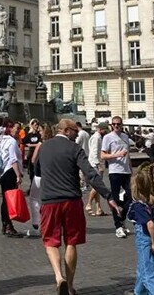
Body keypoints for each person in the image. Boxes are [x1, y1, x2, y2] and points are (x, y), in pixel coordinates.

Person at [38, 118, 118, 295]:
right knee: (71, 242)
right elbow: (91, 174)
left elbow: (36, 171)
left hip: (50, 200)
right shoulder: (74, 148)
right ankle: (71, 286)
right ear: (66, 130)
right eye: (75, 131)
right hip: (71, 200)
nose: (77, 134)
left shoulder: (44, 147)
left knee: (50, 241)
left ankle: (59, 278)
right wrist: (108, 196)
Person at [127, 164, 154, 295]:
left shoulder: (138, 206)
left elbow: (150, 224)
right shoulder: (151, 201)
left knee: (149, 273)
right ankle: (139, 292)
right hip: (153, 237)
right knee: (144, 267)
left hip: (145, 239)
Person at [101, 116, 132, 237]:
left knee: (130, 198)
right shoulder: (108, 137)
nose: (116, 126)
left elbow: (128, 155)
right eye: (114, 124)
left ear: (122, 124)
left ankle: (122, 217)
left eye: (118, 124)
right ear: (111, 125)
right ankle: (118, 226)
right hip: (114, 171)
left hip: (126, 171)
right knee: (114, 198)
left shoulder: (125, 137)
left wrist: (130, 170)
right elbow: (103, 155)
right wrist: (117, 154)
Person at [0, 118, 24, 237]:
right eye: (16, 128)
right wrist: (18, 175)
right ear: (9, 128)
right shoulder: (11, 141)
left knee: (5, 200)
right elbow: (13, 159)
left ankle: (5, 224)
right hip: (10, 172)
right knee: (9, 200)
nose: (18, 131)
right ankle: (8, 225)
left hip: (1, 173)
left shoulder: (0, 140)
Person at [85, 122, 106, 217]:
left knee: (96, 187)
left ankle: (98, 208)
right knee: (97, 186)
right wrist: (98, 165)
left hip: (94, 163)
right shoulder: (97, 138)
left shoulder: (96, 137)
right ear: (101, 129)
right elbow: (94, 152)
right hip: (95, 164)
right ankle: (89, 204)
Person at [74, 122, 90, 191]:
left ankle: (82, 185)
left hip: (81, 153)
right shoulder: (86, 133)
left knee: (81, 171)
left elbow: (76, 143)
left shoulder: (80, 134)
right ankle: (87, 184)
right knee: (85, 170)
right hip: (87, 152)